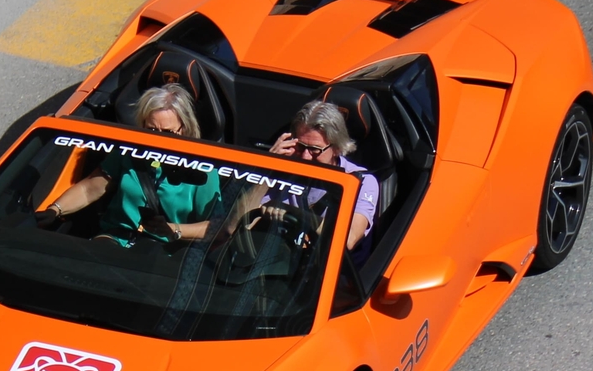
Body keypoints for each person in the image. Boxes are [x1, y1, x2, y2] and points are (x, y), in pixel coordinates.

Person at [36, 83, 231, 242]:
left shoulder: (202, 169)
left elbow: (218, 227)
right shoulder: (128, 152)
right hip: (116, 239)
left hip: (164, 252)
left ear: (185, 129)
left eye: (168, 133)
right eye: (152, 130)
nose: (158, 139)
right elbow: (90, 189)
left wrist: (173, 230)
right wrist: (55, 210)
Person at [270, 100, 376, 249]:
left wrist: (293, 213)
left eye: (314, 149)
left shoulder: (362, 182)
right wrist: (267, 168)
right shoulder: (283, 168)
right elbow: (232, 226)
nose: (306, 156)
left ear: (337, 147)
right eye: (301, 146)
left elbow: (348, 239)